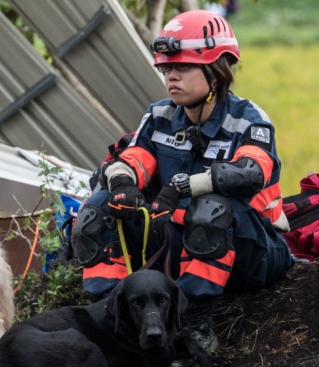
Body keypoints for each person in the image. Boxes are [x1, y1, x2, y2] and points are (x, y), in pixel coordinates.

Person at [71, 10, 294, 354]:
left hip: (254, 252)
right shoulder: (160, 115)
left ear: (217, 70)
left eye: (183, 67)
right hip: (183, 243)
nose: (171, 76)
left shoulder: (249, 120)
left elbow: (251, 172)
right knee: (96, 210)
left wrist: (187, 186)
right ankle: (111, 313)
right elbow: (129, 160)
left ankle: (195, 323)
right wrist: (122, 186)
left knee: (210, 210)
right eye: (166, 68)